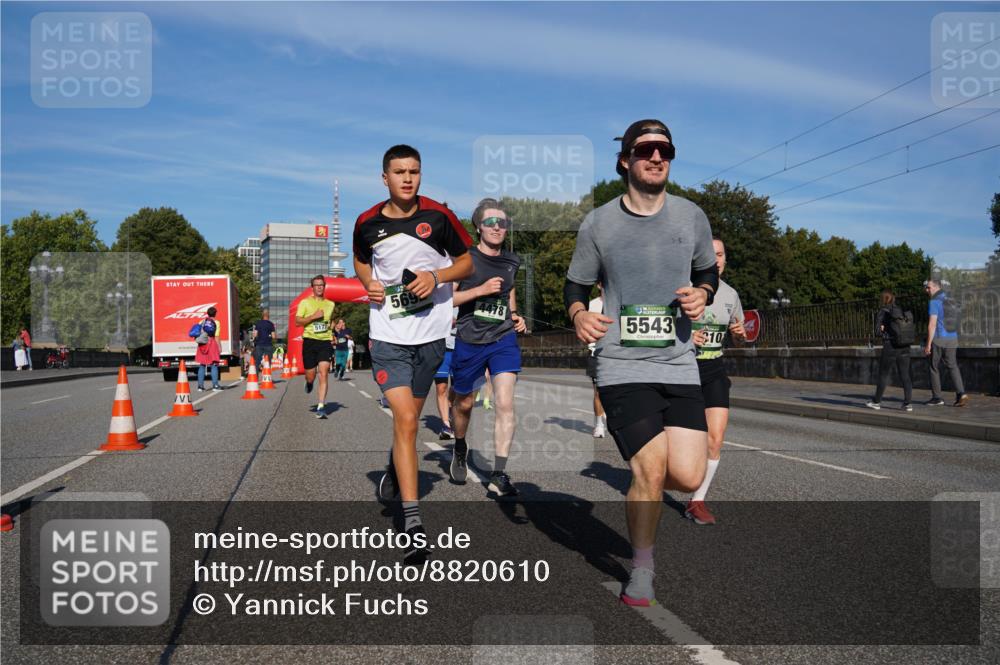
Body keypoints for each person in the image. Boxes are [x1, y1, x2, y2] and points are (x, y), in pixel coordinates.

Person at [565, 119, 717, 607]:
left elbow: (707, 271)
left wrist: (703, 293)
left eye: (666, 150)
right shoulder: (599, 223)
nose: (657, 157)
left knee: (689, 476)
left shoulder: (691, 216)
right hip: (622, 363)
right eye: (646, 149)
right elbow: (575, 286)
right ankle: (643, 569)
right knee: (650, 469)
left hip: (678, 360)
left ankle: (642, 483)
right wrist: (576, 316)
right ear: (625, 159)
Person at [353, 144, 473, 565]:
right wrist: (368, 281)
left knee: (411, 420)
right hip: (387, 334)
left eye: (415, 171)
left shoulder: (439, 216)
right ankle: (413, 523)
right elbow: (360, 261)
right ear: (384, 177)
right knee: (405, 419)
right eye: (399, 172)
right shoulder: (367, 223)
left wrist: (435, 275)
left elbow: (467, 262)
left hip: (432, 335)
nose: (407, 178)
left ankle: (395, 460)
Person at [449, 199, 527, 496]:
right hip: (469, 338)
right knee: (464, 403)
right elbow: (448, 300)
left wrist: (515, 315)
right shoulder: (464, 260)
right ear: (479, 226)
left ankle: (499, 472)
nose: (497, 227)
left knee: (504, 403)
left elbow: (508, 293)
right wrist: (480, 290)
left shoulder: (512, 261)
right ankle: (459, 446)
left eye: (502, 223)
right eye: (491, 222)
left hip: (503, 338)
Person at [687, 237, 746, 525]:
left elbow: (737, 335)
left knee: (715, 438)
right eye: (710, 255)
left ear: (725, 260)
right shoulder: (684, 289)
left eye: (720, 254)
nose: (716, 259)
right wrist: (684, 336)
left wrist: (738, 334)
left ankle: (697, 500)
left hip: (714, 369)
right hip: (682, 370)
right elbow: (659, 331)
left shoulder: (731, 295)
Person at [866, 289, 914, 412]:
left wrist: (882, 328)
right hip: (905, 345)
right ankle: (907, 404)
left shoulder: (883, 311)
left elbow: (877, 332)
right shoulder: (901, 310)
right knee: (905, 375)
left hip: (890, 345)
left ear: (883, 299)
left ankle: (876, 402)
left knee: (883, 374)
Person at [296, 275, 336, 418]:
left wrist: (331, 333)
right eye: (316, 285)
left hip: (325, 342)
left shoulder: (331, 304)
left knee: (324, 373)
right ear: (312, 287)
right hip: (310, 341)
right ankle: (309, 383)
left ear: (324, 287)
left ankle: (321, 406)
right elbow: (297, 322)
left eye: (321, 285)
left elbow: (329, 322)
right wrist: (313, 317)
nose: (319, 287)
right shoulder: (304, 303)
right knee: (311, 375)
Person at [924, 279, 968, 407]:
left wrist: (928, 344)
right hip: (952, 337)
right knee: (952, 365)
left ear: (936, 287)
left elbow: (932, 325)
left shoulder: (934, 301)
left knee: (933, 366)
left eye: (928, 287)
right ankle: (961, 393)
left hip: (939, 337)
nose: (926, 290)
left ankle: (937, 398)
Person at [433, 310, 458, 440]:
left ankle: (449, 406)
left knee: (457, 388)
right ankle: (446, 425)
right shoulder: (440, 296)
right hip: (441, 348)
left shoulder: (468, 294)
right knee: (441, 387)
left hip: (461, 346)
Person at [587, 283, 607, 437]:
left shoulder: (622, 302)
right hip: (596, 351)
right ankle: (599, 424)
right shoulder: (593, 305)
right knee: (598, 391)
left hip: (618, 352)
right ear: (599, 285)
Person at [193, 306, 223, 392]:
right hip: (212, 343)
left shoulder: (202, 321)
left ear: (207, 313)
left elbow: (198, 333)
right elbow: (216, 336)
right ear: (215, 314)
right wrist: (219, 347)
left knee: (202, 364)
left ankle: (200, 386)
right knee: (214, 364)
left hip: (202, 344)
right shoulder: (216, 322)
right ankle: (215, 385)